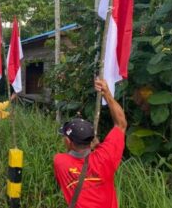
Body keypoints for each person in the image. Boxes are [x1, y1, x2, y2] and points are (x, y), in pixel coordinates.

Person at [54, 79, 127, 208]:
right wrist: (106, 93)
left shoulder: (60, 162)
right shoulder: (105, 157)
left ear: (68, 142)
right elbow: (121, 124)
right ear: (91, 140)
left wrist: (94, 147)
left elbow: (72, 157)